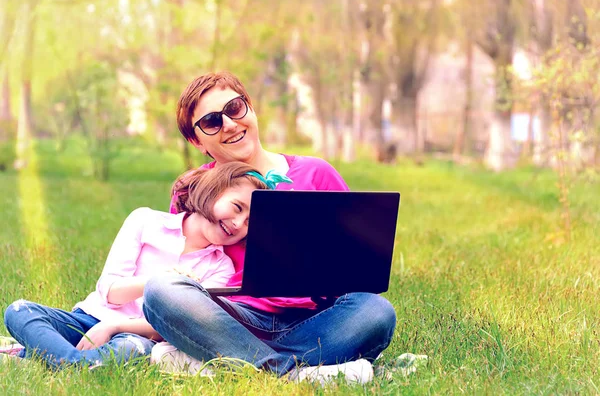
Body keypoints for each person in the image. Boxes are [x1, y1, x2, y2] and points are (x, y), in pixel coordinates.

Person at [143, 71, 397, 383]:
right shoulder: (191, 189)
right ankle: (296, 373)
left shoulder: (316, 173)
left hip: (313, 321)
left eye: (235, 108)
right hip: (230, 318)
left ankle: (228, 363)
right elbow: (177, 268)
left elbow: (357, 267)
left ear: (250, 107)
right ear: (197, 141)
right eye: (212, 121)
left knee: (377, 311)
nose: (230, 125)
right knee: (159, 290)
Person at [2, 161, 280, 369]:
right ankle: (74, 361)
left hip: (135, 335)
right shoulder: (145, 221)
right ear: (213, 189)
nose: (237, 223)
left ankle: (51, 359)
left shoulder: (221, 269)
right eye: (238, 207)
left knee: (133, 350)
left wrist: (112, 328)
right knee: (19, 311)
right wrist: (161, 281)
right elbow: (109, 291)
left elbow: (168, 325)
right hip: (88, 318)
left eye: (248, 224)